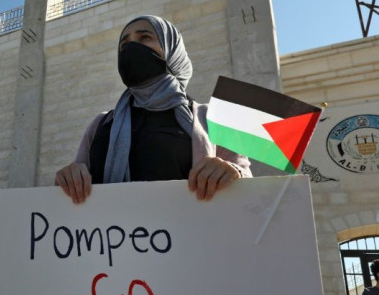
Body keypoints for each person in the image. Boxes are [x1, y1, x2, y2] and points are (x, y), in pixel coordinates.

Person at [55, 15, 251, 203]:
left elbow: (250, 186)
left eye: (145, 37)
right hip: (111, 236)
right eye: (124, 44)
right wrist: (69, 178)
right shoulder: (101, 124)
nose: (131, 47)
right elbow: (75, 186)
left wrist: (232, 173)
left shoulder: (213, 119)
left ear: (172, 49)